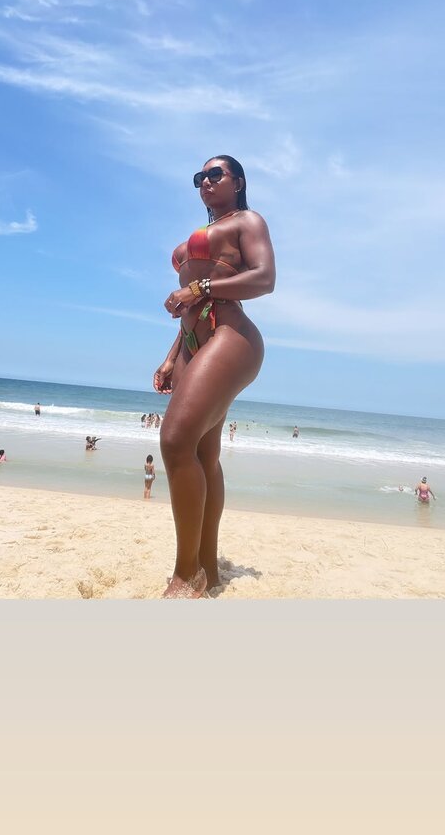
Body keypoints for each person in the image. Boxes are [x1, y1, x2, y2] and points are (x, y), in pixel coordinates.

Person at [153, 154, 275, 597]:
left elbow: (264, 279)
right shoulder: (211, 228)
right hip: (193, 339)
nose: (205, 181)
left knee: (174, 441)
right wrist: (172, 357)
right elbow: (191, 307)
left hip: (232, 336)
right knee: (203, 455)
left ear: (237, 182)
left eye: (214, 174)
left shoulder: (248, 221)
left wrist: (198, 287)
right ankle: (206, 567)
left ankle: (186, 575)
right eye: (199, 177)